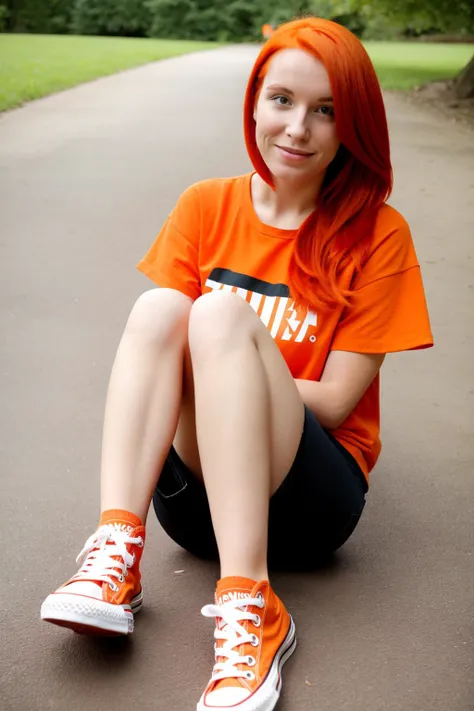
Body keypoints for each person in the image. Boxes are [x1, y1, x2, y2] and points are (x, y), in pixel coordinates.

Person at [40, 17, 433, 711]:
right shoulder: (205, 205)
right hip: (197, 513)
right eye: (281, 100)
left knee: (216, 317)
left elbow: (339, 401)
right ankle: (116, 551)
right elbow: (158, 357)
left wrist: (240, 367)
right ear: (254, 100)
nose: (297, 128)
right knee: (162, 309)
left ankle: (253, 601)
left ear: (353, 128)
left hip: (312, 504)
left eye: (326, 111)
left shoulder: (378, 235)